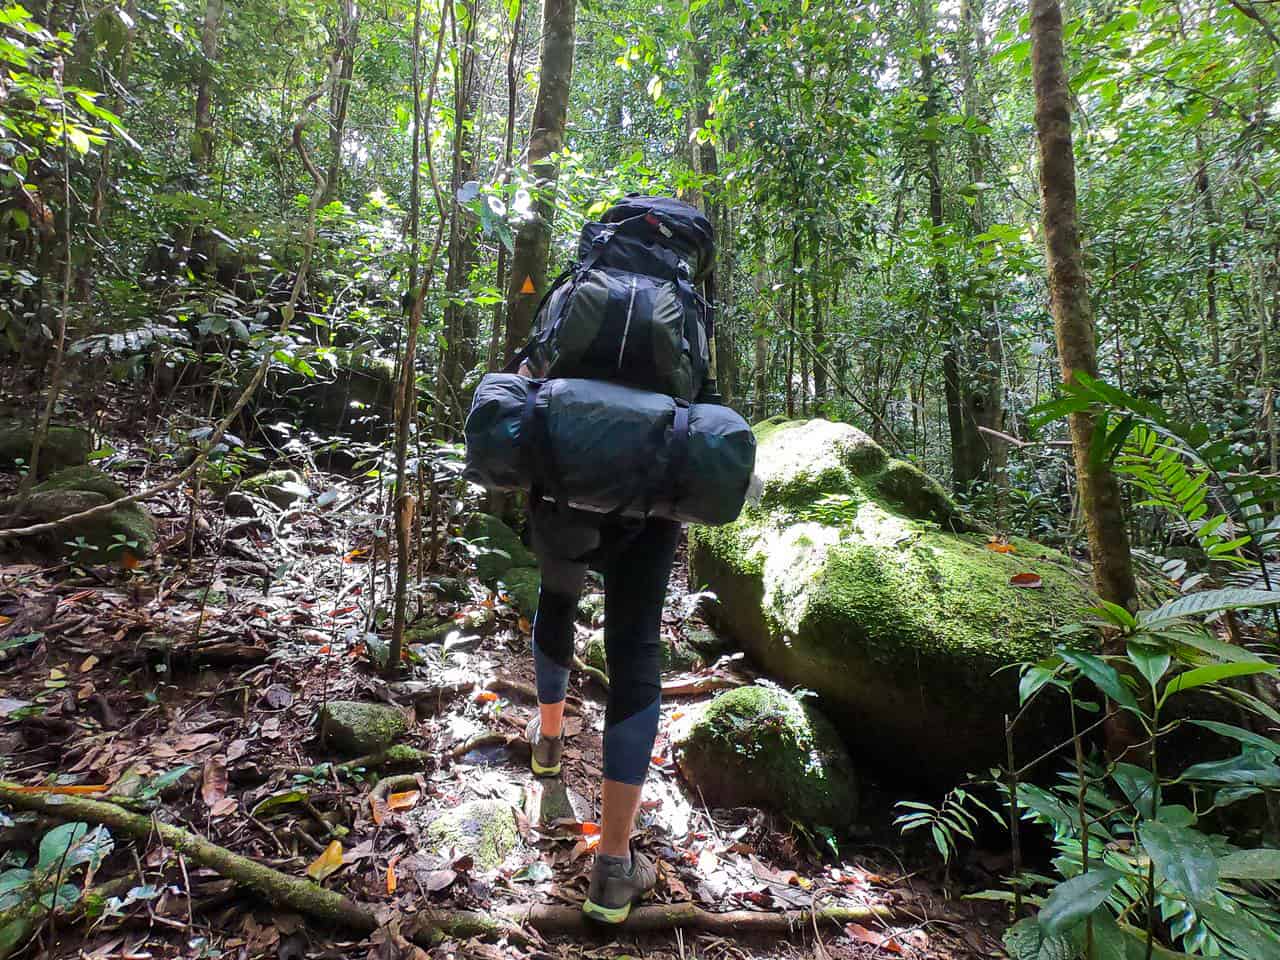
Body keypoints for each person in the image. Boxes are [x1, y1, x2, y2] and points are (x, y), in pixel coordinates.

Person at [523, 497, 681, 924]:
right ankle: (613, 867)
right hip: (654, 481)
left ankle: (549, 744)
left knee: (556, 598)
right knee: (636, 643)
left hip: (570, 470)